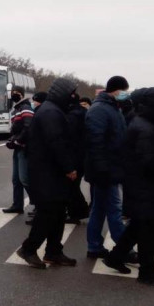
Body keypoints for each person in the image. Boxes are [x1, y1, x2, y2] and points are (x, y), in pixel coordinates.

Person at [102, 87, 154, 287]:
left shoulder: (145, 122)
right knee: (147, 229)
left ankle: (115, 257)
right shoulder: (145, 127)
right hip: (145, 187)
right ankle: (147, 272)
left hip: (141, 186)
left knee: (138, 225)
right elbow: (149, 162)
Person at [15, 78, 79, 268]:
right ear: (63, 93)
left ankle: (53, 251)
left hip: (50, 172)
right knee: (47, 214)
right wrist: (69, 168)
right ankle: (28, 249)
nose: (73, 96)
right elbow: (56, 143)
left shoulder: (52, 109)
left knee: (58, 213)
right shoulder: (51, 112)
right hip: (47, 173)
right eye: (71, 93)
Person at [84, 76, 129, 258]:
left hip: (109, 167)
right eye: (124, 90)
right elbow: (95, 142)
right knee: (114, 209)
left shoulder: (111, 108)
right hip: (105, 170)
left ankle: (94, 247)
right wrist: (102, 169)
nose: (126, 93)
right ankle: (124, 249)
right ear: (115, 90)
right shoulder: (100, 110)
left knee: (99, 209)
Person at [3, 86, 33, 214]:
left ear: (21, 94)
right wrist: (11, 140)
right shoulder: (16, 110)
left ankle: (39, 204)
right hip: (17, 148)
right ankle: (17, 204)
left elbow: (28, 127)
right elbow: (16, 129)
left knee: (24, 178)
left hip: (24, 148)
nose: (13, 95)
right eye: (12, 93)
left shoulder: (25, 108)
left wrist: (18, 141)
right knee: (16, 179)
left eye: (16, 93)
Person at [65, 91, 89, 223]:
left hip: (75, 156)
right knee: (73, 186)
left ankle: (78, 212)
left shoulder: (73, 116)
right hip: (82, 155)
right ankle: (78, 212)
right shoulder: (82, 112)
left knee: (71, 187)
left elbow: (71, 139)